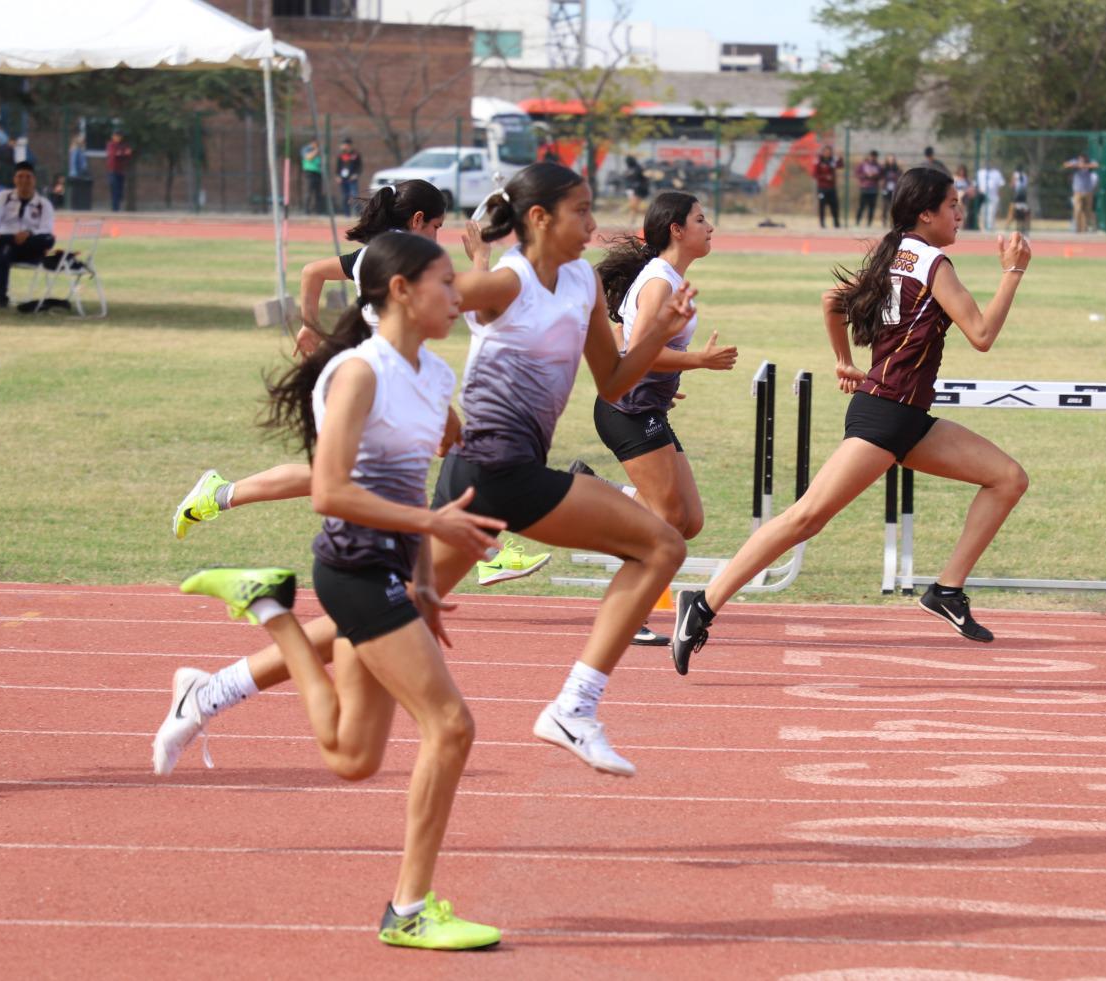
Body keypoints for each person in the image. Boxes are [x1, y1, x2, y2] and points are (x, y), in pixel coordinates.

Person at [152, 163, 698, 783]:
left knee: (390, 616)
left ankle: (210, 691)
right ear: (539, 219)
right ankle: (575, 705)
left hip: (486, 477)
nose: (594, 224)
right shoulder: (508, 283)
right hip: (495, 468)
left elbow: (614, 380)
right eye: (581, 211)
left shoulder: (583, 285)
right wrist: (367, 366)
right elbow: (410, 305)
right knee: (662, 543)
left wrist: (657, 332)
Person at [177, 233, 506, 949]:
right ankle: (409, 910)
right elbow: (329, 489)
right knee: (450, 725)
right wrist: (428, 525)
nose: (458, 297)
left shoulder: (433, 376)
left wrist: (423, 577)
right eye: (446, 284)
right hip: (353, 567)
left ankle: (271, 608)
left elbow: (410, 483)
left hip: (391, 571)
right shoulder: (359, 373)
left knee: (352, 757)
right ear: (400, 291)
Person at [667, 167, 1031, 676]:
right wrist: (1013, 272)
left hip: (906, 416)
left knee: (1008, 478)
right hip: (885, 414)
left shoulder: (896, 250)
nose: (960, 214)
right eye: (953, 205)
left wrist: (843, 358)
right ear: (926, 212)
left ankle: (946, 589)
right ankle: (702, 602)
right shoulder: (932, 263)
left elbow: (832, 301)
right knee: (806, 517)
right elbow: (983, 333)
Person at [171, 178, 552, 586]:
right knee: (438, 461)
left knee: (413, 463)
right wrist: (480, 259)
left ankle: (220, 493)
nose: (439, 237)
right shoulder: (400, 259)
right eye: (437, 226)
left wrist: (309, 325)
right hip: (384, 380)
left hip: (391, 376)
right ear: (418, 219)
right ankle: (483, 553)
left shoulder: (380, 252)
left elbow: (312, 272)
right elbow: (465, 300)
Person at [584, 191, 737, 643]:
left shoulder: (662, 275)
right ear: (676, 229)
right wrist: (698, 361)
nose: (710, 227)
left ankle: (596, 490)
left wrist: (664, 386)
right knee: (663, 520)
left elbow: (622, 336)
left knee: (688, 520)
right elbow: (638, 351)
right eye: (701, 219)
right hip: (625, 411)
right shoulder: (659, 281)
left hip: (645, 405)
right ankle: (629, 614)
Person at [0, 162, 55, 310]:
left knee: (49, 239)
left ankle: (10, 241)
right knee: (2, 245)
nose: (24, 180)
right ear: (14, 179)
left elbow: (46, 228)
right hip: (6, 244)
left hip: (30, 247)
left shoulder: (44, 203)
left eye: (28, 177)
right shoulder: (3, 197)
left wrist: (28, 233)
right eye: (20, 176)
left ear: (34, 179)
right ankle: (2, 298)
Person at [815, 145, 844, 228]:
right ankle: (822, 223)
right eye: (826, 152)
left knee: (834, 205)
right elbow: (815, 174)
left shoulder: (832, 161)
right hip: (822, 188)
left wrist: (840, 157)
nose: (827, 153)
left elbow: (840, 166)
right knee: (822, 205)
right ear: (823, 152)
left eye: (829, 152)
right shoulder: (819, 162)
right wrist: (825, 177)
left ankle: (836, 222)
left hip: (831, 188)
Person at [105, 131, 132, 212]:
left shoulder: (123, 145)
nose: (118, 138)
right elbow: (114, 155)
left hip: (121, 171)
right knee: (114, 189)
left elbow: (128, 154)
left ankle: (117, 207)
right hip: (112, 170)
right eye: (116, 136)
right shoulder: (111, 145)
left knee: (120, 190)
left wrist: (122, 153)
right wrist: (122, 153)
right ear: (113, 137)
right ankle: (115, 208)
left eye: (119, 136)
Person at [855, 150, 882, 227]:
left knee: (871, 207)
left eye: (874, 156)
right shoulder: (863, 165)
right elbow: (857, 173)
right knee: (861, 206)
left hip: (874, 189)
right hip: (864, 188)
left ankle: (869, 223)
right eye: (871, 156)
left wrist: (874, 176)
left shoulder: (878, 166)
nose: (873, 158)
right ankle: (857, 221)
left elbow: (881, 175)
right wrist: (866, 175)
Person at [975, 162, 1004, 233]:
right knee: (983, 212)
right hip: (983, 197)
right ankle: (983, 228)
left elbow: (1001, 185)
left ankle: (990, 228)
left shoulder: (997, 173)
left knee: (992, 212)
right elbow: (976, 185)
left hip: (994, 196)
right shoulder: (980, 173)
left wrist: (999, 196)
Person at [337, 138, 362, 217]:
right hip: (343, 179)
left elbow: (359, 167)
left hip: (352, 179)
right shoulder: (340, 155)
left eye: (347, 145)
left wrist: (356, 174)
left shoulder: (356, 155)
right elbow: (338, 167)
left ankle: (357, 213)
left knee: (354, 195)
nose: (345, 147)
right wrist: (337, 176)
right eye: (344, 145)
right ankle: (346, 214)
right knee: (345, 196)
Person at [300, 139, 325, 215]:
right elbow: (308, 157)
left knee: (318, 194)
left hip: (318, 173)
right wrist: (316, 150)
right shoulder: (306, 149)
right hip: (309, 174)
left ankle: (318, 211)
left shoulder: (318, 151)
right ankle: (306, 211)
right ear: (312, 142)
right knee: (308, 193)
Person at [623, 155, 649, 222]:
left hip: (638, 189)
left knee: (634, 205)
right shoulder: (629, 169)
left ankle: (634, 219)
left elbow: (645, 177)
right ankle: (633, 219)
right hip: (630, 189)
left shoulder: (639, 168)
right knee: (633, 206)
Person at [1007, 166, 1030, 236]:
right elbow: (1026, 186)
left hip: (1017, 196)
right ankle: (1025, 228)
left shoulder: (1015, 175)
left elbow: (1012, 185)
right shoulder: (1025, 176)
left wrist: (1012, 184)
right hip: (1024, 196)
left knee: (1012, 211)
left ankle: (1007, 225)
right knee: (1024, 211)